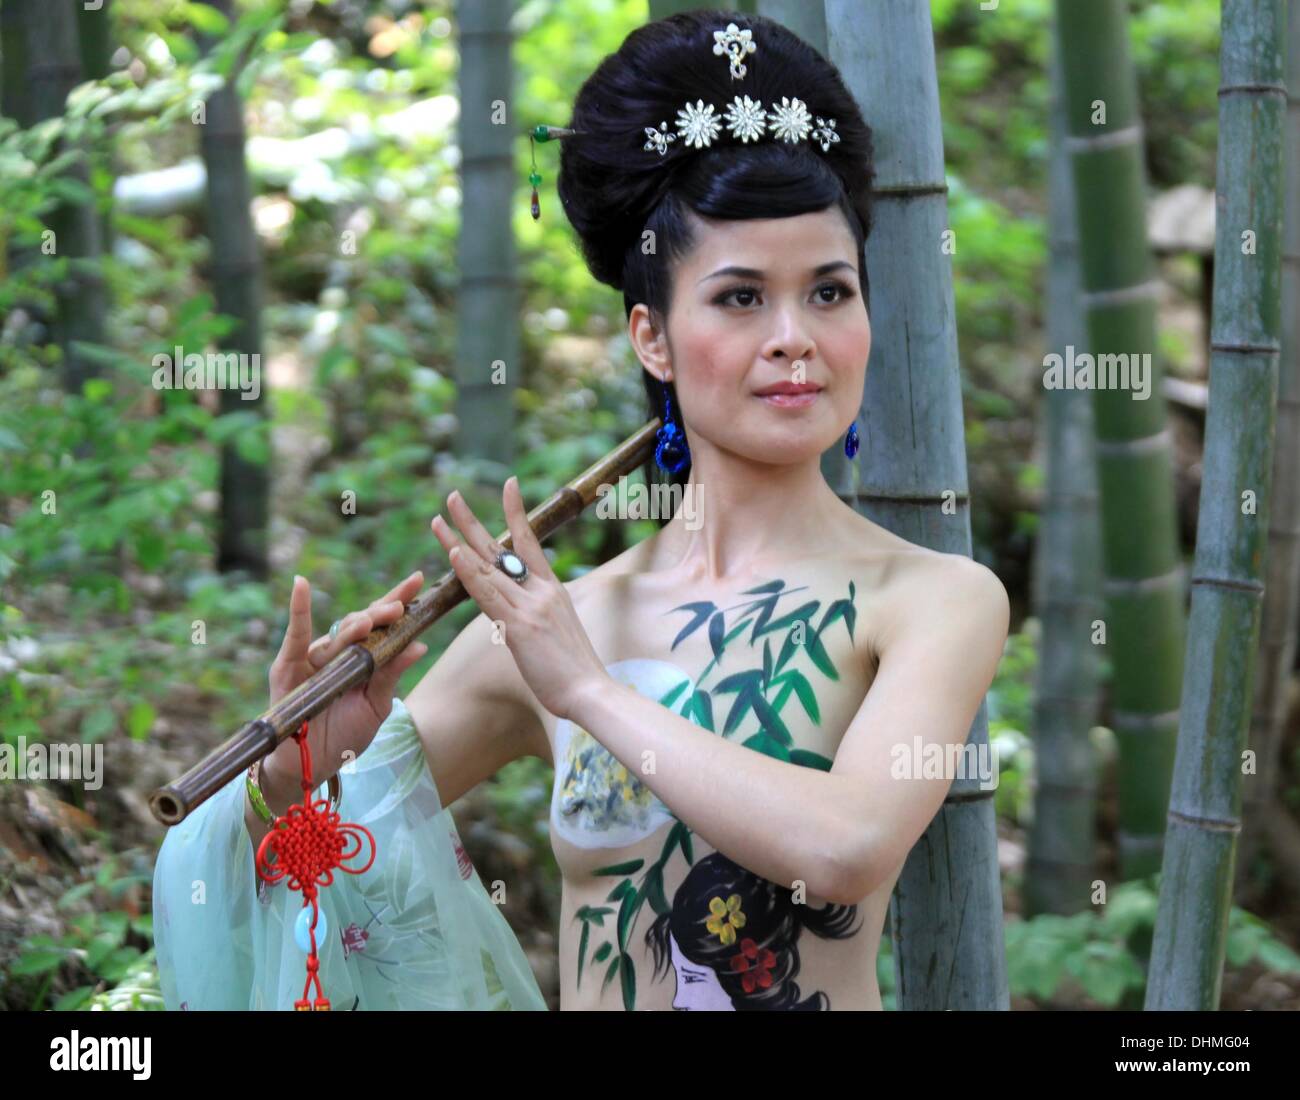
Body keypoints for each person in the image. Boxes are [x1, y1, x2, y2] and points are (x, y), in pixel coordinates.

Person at [153, 9, 1009, 1012]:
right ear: (651, 335)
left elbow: (845, 848)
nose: (794, 337)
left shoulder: (932, 597)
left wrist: (590, 694)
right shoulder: (556, 622)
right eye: (739, 298)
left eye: (829, 291)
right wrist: (299, 759)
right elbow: (286, 874)